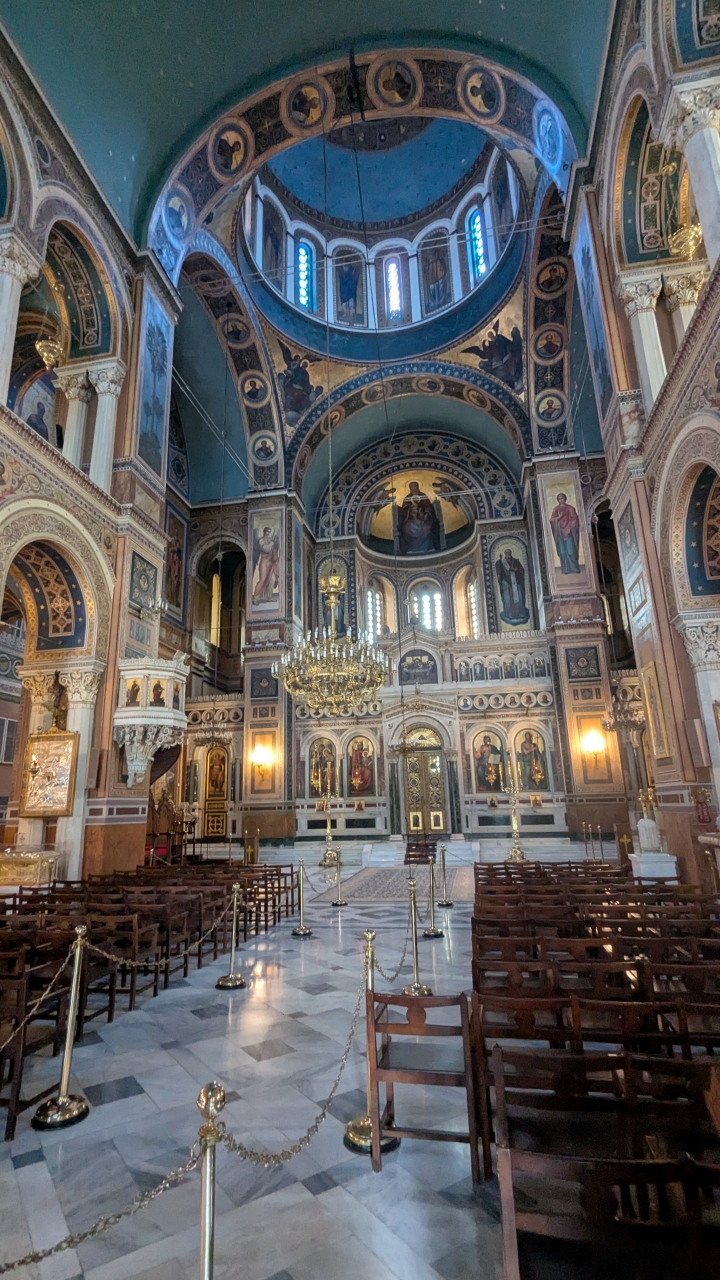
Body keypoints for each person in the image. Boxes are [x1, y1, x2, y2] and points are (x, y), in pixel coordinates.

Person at [397, 480, 440, 554]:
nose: (414, 488)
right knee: (407, 528)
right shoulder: (407, 498)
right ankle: (411, 549)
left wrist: (426, 513)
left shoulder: (423, 496)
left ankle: (428, 547)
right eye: (412, 487)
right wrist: (409, 509)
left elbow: (428, 506)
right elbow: (404, 511)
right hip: (410, 519)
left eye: (415, 486)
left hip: (424, 518)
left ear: (418, 487)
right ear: (410, 488)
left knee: (427, 527)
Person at [496, 547, 529, 624]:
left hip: (516, 582)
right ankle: (509, 615)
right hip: (507, 584)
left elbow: (521, 570)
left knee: (519, 597)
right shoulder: (502, 562)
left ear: (511, 554)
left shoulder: (516, 561)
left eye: (509, 554)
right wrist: (500, 561)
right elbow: (500, 573)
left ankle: (521, 614)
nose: (508, 555)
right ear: (505, 554)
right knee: (508, 599)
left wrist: (517, 571)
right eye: (506, 554)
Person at [549, 492, 581, 574]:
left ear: (565, 499)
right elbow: (551, 520)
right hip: (560, 533)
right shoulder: (556, 509)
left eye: (562, 498)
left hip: (568, 532)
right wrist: (558, 518)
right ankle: (565, 569)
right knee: (562, 552)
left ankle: (574, 568)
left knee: (570, 551)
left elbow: (574, 520)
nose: (561, 500)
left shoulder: (570, 508)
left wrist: (569, 528)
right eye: (559, 499)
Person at [253, 526, 280, 603]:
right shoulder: (261, 541)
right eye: (267, 531)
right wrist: (272, 543)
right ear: (264, 532)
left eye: (269, 532)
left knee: (272, 579)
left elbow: (274, 550)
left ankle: (269, 596)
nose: (268, 533)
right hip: (264, 562)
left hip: (271, 563)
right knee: (263, 579)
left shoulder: (270, 540)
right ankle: (256, 597)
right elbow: (266, 549)